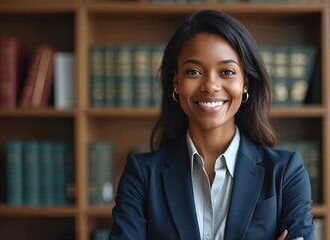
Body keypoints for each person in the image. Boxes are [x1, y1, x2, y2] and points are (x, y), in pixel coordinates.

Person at [109, 9, 314, 240]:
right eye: (194, 71)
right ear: (177, 83)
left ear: (245, 82)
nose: (210, 85)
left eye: (227, 71)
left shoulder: (286, 171)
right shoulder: (142, 175)